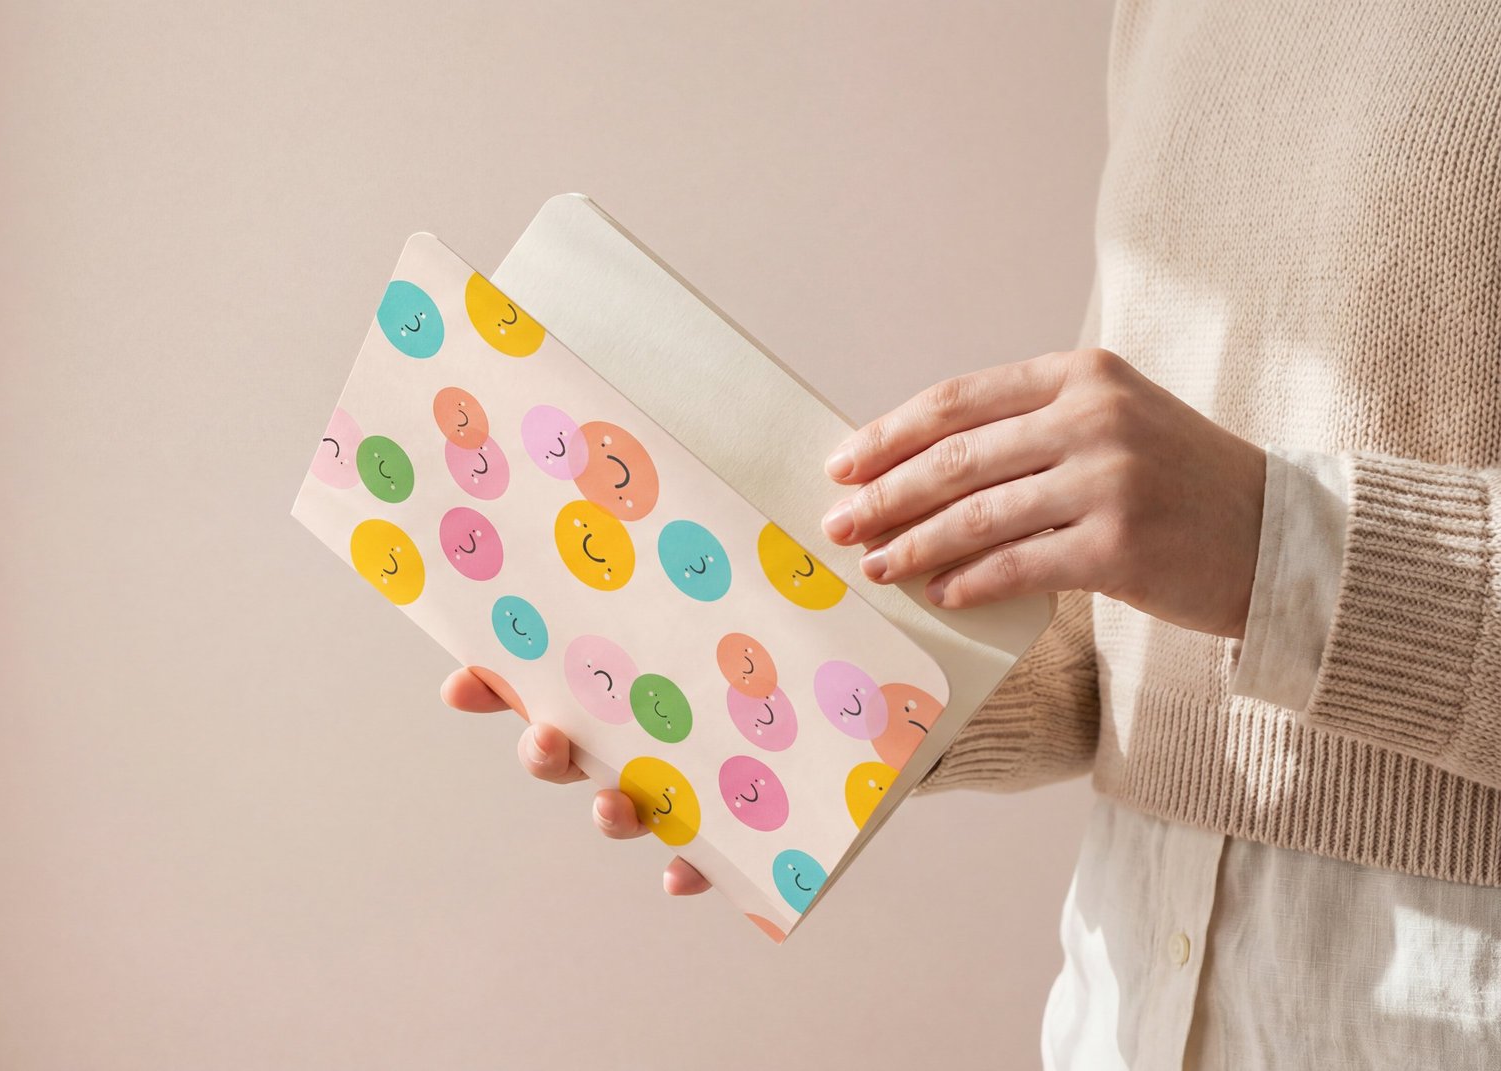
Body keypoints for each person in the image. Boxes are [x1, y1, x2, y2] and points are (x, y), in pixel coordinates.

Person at [443, 3, 1501, 1066]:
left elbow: (1232, 545)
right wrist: (844, 678)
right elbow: (1122, 606)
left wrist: (1280, 547)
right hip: (1133, 988)